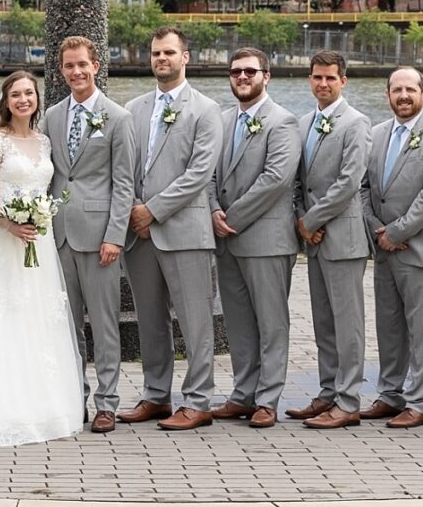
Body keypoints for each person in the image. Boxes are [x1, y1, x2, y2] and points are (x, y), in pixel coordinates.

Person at [0, 70, 84, 448]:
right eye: (16, 94)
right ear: (5, 102)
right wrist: (9, 223)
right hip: (5, 242)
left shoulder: (43, 142)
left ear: (37, 98)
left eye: (29, 93)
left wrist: (37, 218)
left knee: (39, 321)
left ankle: (44, 405)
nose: (23, 100)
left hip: (38, 244)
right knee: (1, 318)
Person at [117, 27, 223, 428]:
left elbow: (199, 173)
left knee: (195, 320)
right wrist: (132, 210)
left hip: (183, 231)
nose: (161, 59)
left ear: (186, 57)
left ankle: (198, 400)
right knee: (149, 318)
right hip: (138, 232)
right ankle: (156, 394)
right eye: (155, 53)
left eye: (169, 53)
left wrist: (153, 210)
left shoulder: (205, 109)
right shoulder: (135, 108)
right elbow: (124, 166)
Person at [195, 45, 299, 431]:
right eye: (236, 71)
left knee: (271, 323)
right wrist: (211, 210)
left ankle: (268, 399)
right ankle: (243, 394)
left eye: (250, 72)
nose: (242, 77)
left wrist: (230, 217)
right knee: (238, 322)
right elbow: (205, 170)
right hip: (226, 239)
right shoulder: (220, 120)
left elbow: (276, 180)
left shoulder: (283, 122)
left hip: (266, 240)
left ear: (265, 76)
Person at [41, 34, 136, 432]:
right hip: (59, 235)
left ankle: (107, 402)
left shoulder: (118, 117)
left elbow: (124, 183)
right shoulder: (52, 116)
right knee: (66, 322)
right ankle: (72, 396)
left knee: (103, 321)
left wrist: (115, 235)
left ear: (96, 66)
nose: (76, 72)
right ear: (61, 71)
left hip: (100, 237)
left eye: (82, 64)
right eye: (69, 66)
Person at [360, 65, 423, 425]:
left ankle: (420, 402)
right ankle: (390, 394)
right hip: (384, 247)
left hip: (421, 250)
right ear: (387, 95)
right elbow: (363, 188)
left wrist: (396, 232)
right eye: (396, 90)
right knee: (389, 325)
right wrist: (376, 229)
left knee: (422, 328)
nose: (403, 96)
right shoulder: (377, 133)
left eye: (410, 90)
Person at [294, 51, 374, 429]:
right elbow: (297, 179)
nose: (322, 83)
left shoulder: (356, 123)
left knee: (348, 323)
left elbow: (349, 182)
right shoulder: (304, 122)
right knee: (323, 322)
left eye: (329, 78)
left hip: (342, 237)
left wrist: (311, 220)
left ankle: (348, 400)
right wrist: (301, 218)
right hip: (314, 238)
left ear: (343, 81)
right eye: (316, 77)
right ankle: (327, 392)